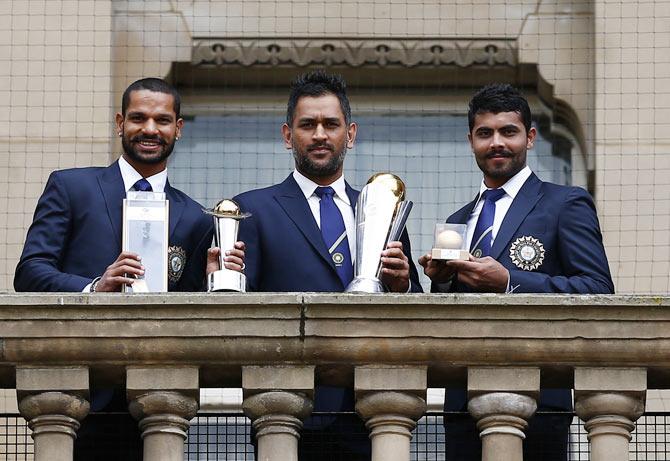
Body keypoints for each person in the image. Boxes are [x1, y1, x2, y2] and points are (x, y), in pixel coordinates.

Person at [14, 77, 245, 460]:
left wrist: (210, 282)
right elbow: (30, 272)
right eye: (138, 118)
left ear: (179, 128)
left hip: (158, 402)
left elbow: (185, 314)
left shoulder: (195, 217)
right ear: (120, 122)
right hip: (76, 394)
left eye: (162, 120)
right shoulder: (72, 187)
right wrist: (93, 288)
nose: (150, 129)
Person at [232, 70, 423, 459]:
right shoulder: (253, 209)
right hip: (288, 407)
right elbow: (238, 308)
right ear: (288, 135)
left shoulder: (382, 209)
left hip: (372, 409)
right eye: (308, 125)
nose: (320, 134)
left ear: (350, 134)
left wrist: (402, 285)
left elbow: (416, 309)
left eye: (330, 124)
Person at [419, 83, 614, 460]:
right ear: (470, 140)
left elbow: (598, 290)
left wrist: (509, 282)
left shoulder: (565, 203)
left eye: (508, 131)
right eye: (485, 133)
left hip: (539, 398)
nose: (497, 142)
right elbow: (449, 319)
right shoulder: (458, 221)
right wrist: (441, 280)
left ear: (530, 138)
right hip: (462, 402)